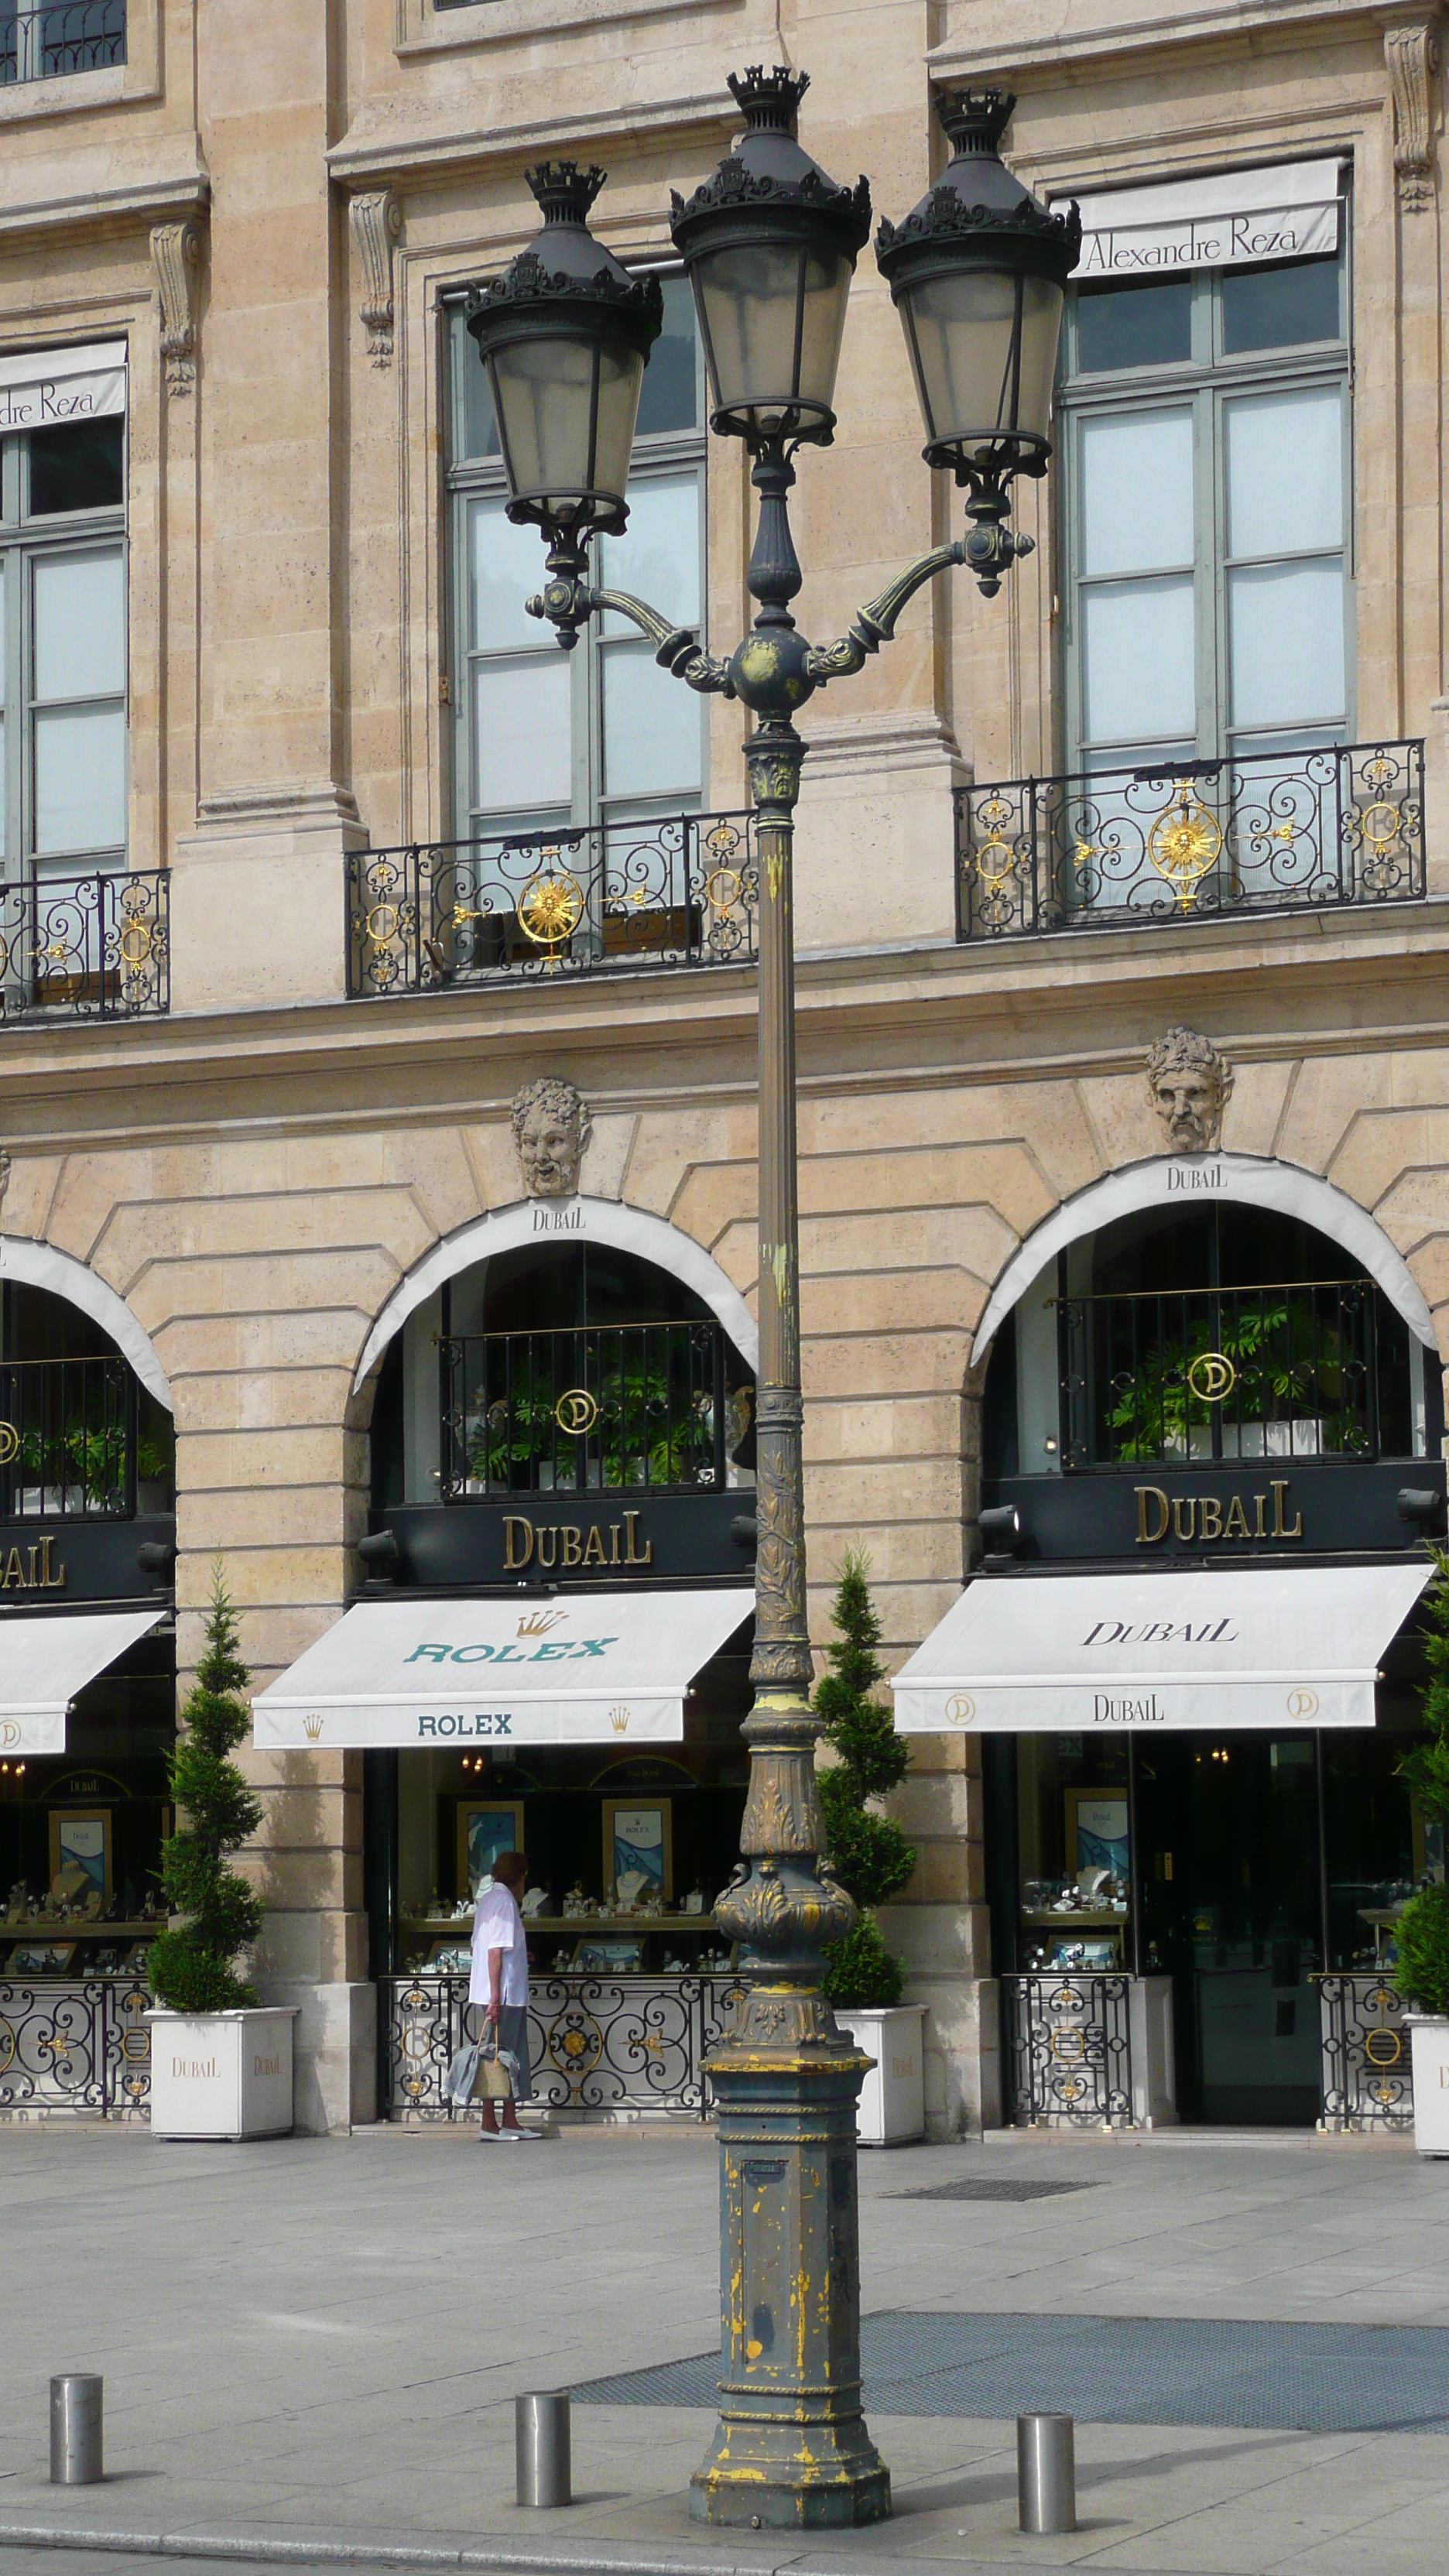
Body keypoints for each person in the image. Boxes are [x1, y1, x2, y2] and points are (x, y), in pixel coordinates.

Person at [469, 1850, 539, 2141]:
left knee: (509, 2055)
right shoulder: (503, 1903)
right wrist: (495, 1998)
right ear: (519, 1878)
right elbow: (494, 1951)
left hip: (504, 1993)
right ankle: (489, 2122)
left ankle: (509, 2119)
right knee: (497, 2055)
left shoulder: (489, 1900)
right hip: (503, 1995)